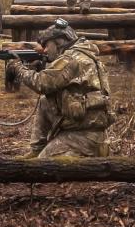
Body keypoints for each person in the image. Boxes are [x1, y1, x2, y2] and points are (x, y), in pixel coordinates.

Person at [6, 19, 115, 158]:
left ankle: (43, 154)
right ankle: (36, 149)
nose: (44, 50)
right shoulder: (86, 56)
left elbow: (41, 83)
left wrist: (18, 68)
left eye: (47, 45)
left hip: (82, 139)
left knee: (39, 168)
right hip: (93, 135)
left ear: (59, 41)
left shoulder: (70, 59)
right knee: (45, 100)